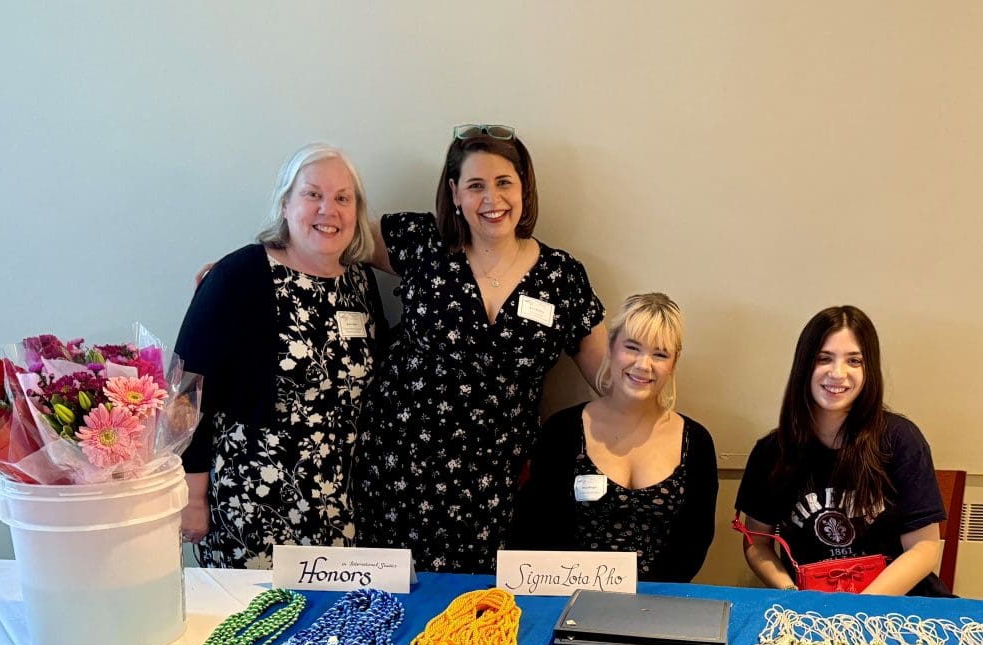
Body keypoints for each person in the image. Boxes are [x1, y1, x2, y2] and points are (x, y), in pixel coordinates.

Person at [351, 124, 608, 573]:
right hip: (399, 471)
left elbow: (609, 379)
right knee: (397, 612)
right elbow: (329, 237)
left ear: (524, 189)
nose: (492, 200)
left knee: (482, 619)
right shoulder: (421, 242)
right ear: (454, 193)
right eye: (476, 186)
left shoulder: (561, 276)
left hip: (500, 483)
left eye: (504, 182)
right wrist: (250, 267)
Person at [176, 144, 385, 568]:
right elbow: (186, 389)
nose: (329, 209)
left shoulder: (361, 282)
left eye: (343, 198)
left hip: (339, 505)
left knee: (329, 628)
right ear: (286, 203)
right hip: (254, 501)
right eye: (313, 195)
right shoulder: (240, 275)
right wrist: (191, 496)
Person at [735, 305, 948, 596]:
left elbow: (923, 548)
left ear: (868, 369)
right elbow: (757, 543)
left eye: (854, 361)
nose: (838, 373)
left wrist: (859, 606)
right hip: (809, 606)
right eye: (824, 358)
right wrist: (791, 593)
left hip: (899, 605)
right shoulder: (771, 452)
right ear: (804, 365)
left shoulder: (901, 439)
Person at [508, 293, 718, 581]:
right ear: (611, 347)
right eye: (632, 348)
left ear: (674, 362)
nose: (644, 365)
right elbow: (534, 530)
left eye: (660, 354)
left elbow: (695, 541)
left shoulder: (697, 443)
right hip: (566, 598)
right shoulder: (562, 431)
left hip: (657, 607)